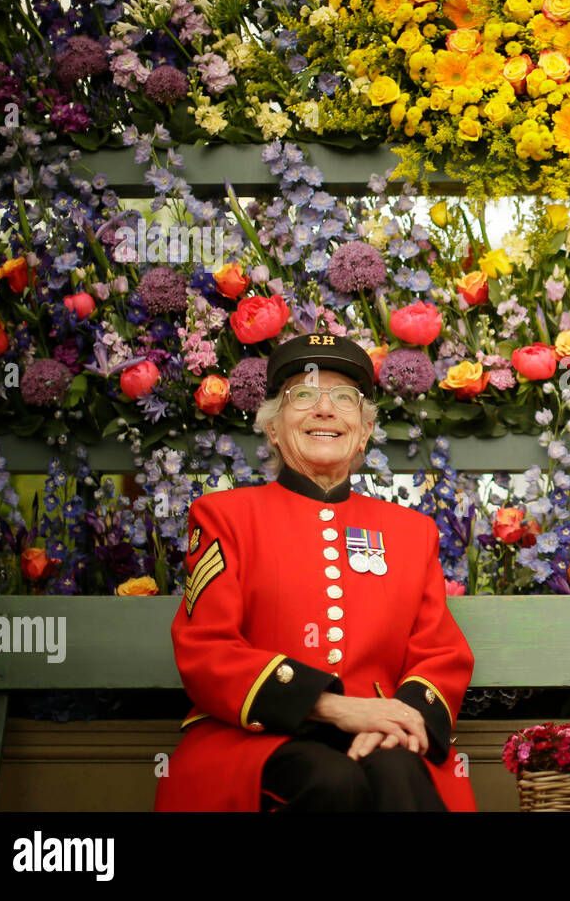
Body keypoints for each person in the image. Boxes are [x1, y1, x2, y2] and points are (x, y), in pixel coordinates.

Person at [155, 333, 475, 812]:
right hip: (256, 738)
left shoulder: (412, 532)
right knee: (330, 780)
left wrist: (398, 717)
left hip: (381, 733)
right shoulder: (224, 517)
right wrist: (329, 706)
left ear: (364, 432)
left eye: (344, 398)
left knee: (397, 770)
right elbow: (207, 649)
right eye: (302, 395)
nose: (325, 409)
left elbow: (440, 652)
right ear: (274, 429)